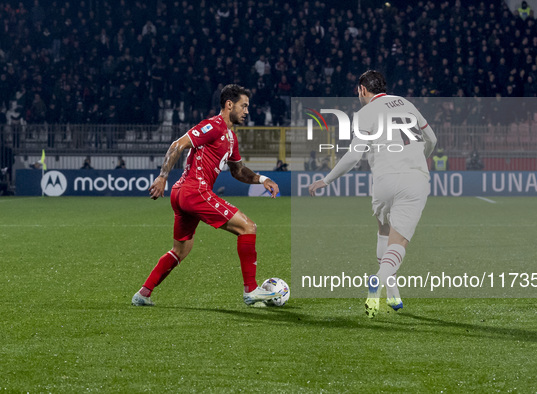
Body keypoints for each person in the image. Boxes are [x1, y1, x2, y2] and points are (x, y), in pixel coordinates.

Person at [132, 84, 281, 307]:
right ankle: (250, 291)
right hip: (194, 190)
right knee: (248, 227)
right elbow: (177, 145)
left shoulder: (230, 137)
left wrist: (262, 179)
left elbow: (238, 171)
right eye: (244, 106)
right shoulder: (213, 126)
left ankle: (143, 293)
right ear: (229, 105)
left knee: (181, 250)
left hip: (182, 194)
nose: (247, 111)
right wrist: (162, 176)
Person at [308, 70, 437, 318]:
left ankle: (393, 293)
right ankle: (378, 279)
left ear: (363, 89)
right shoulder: (407, 104)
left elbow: (355, 155)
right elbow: (431, 138)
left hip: (383, 181)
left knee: (384, 232)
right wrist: (421, 157)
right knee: (398, 243)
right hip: (413, 180)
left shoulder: (365, 113)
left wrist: (326, 180)